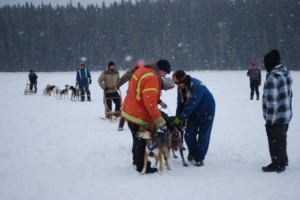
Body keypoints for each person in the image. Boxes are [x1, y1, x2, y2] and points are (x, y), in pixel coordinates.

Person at [121, 59, 172, 174]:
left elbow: (142, 92)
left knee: (136, 138)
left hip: (130, 109)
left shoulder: (143, 70)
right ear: (160, 70)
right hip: (138, 114)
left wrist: (158, 100)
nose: (165, 75)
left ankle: (136, 161)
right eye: (166, 73)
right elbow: (150, 103)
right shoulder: (152, 77)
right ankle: (142, 166)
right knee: (141, 141)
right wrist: (160, 120)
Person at [172, 70, 215, 167]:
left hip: (207, 110)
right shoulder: (181, 88)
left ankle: (199, 158)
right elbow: (180, 104)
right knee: (189, 134)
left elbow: (191, 105)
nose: (176, 85)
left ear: (183, 80)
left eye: (177, 83)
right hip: (192, 112)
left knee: (203, 135)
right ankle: (193, 152)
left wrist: (182, 117)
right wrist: (177, 117)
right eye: (175, 83)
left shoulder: (196, 86)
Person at [262, 49, 293, 173]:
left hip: (276, 116)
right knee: (282, 138)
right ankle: (283, 159)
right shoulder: (285, 73)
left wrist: (269, 121)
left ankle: (277, 163)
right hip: (286, 114)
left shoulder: (272, 78)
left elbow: (272, 103)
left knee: (274, 139)